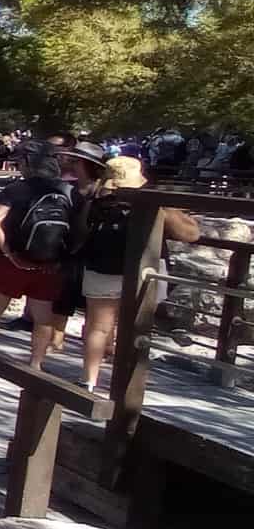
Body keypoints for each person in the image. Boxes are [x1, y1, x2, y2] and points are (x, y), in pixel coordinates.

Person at [74, 157, 201, 391]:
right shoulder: (154, 203)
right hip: (145, 272)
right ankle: (126, 386)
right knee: (136, 328)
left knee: (98, 327)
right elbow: (191, 234)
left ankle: (89, 380)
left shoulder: (96, 201)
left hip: (102, 267)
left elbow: (80, 233)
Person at [0, 141, 96, 372]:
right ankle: (36, 364)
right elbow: (81, 230)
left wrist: (9, 253)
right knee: (43, 319)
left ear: (28, 163)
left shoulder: (16, 189)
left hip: (13, 260)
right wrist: (63, 257)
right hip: (49, 263)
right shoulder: (70, 192)